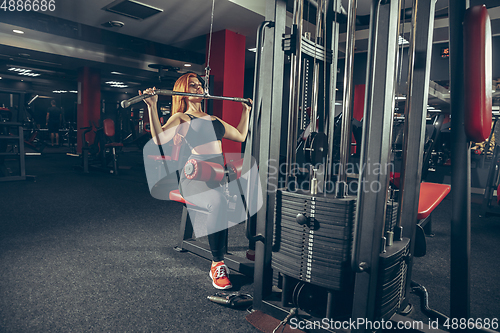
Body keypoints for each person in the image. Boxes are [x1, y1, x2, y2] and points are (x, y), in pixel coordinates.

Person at [140, 73, 252, 289]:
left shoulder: (214, 120)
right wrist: (152, 106)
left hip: (217, 175)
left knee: (253, 192)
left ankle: (255, 250)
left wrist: (246, 111)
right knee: (218, 202)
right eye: (192, 86)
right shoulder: (181, 118)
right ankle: (217, 264)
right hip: (194, 176)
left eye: (200, 85)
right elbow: (158, 139)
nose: (198, 88)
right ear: (183, 90)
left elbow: (240, 135)